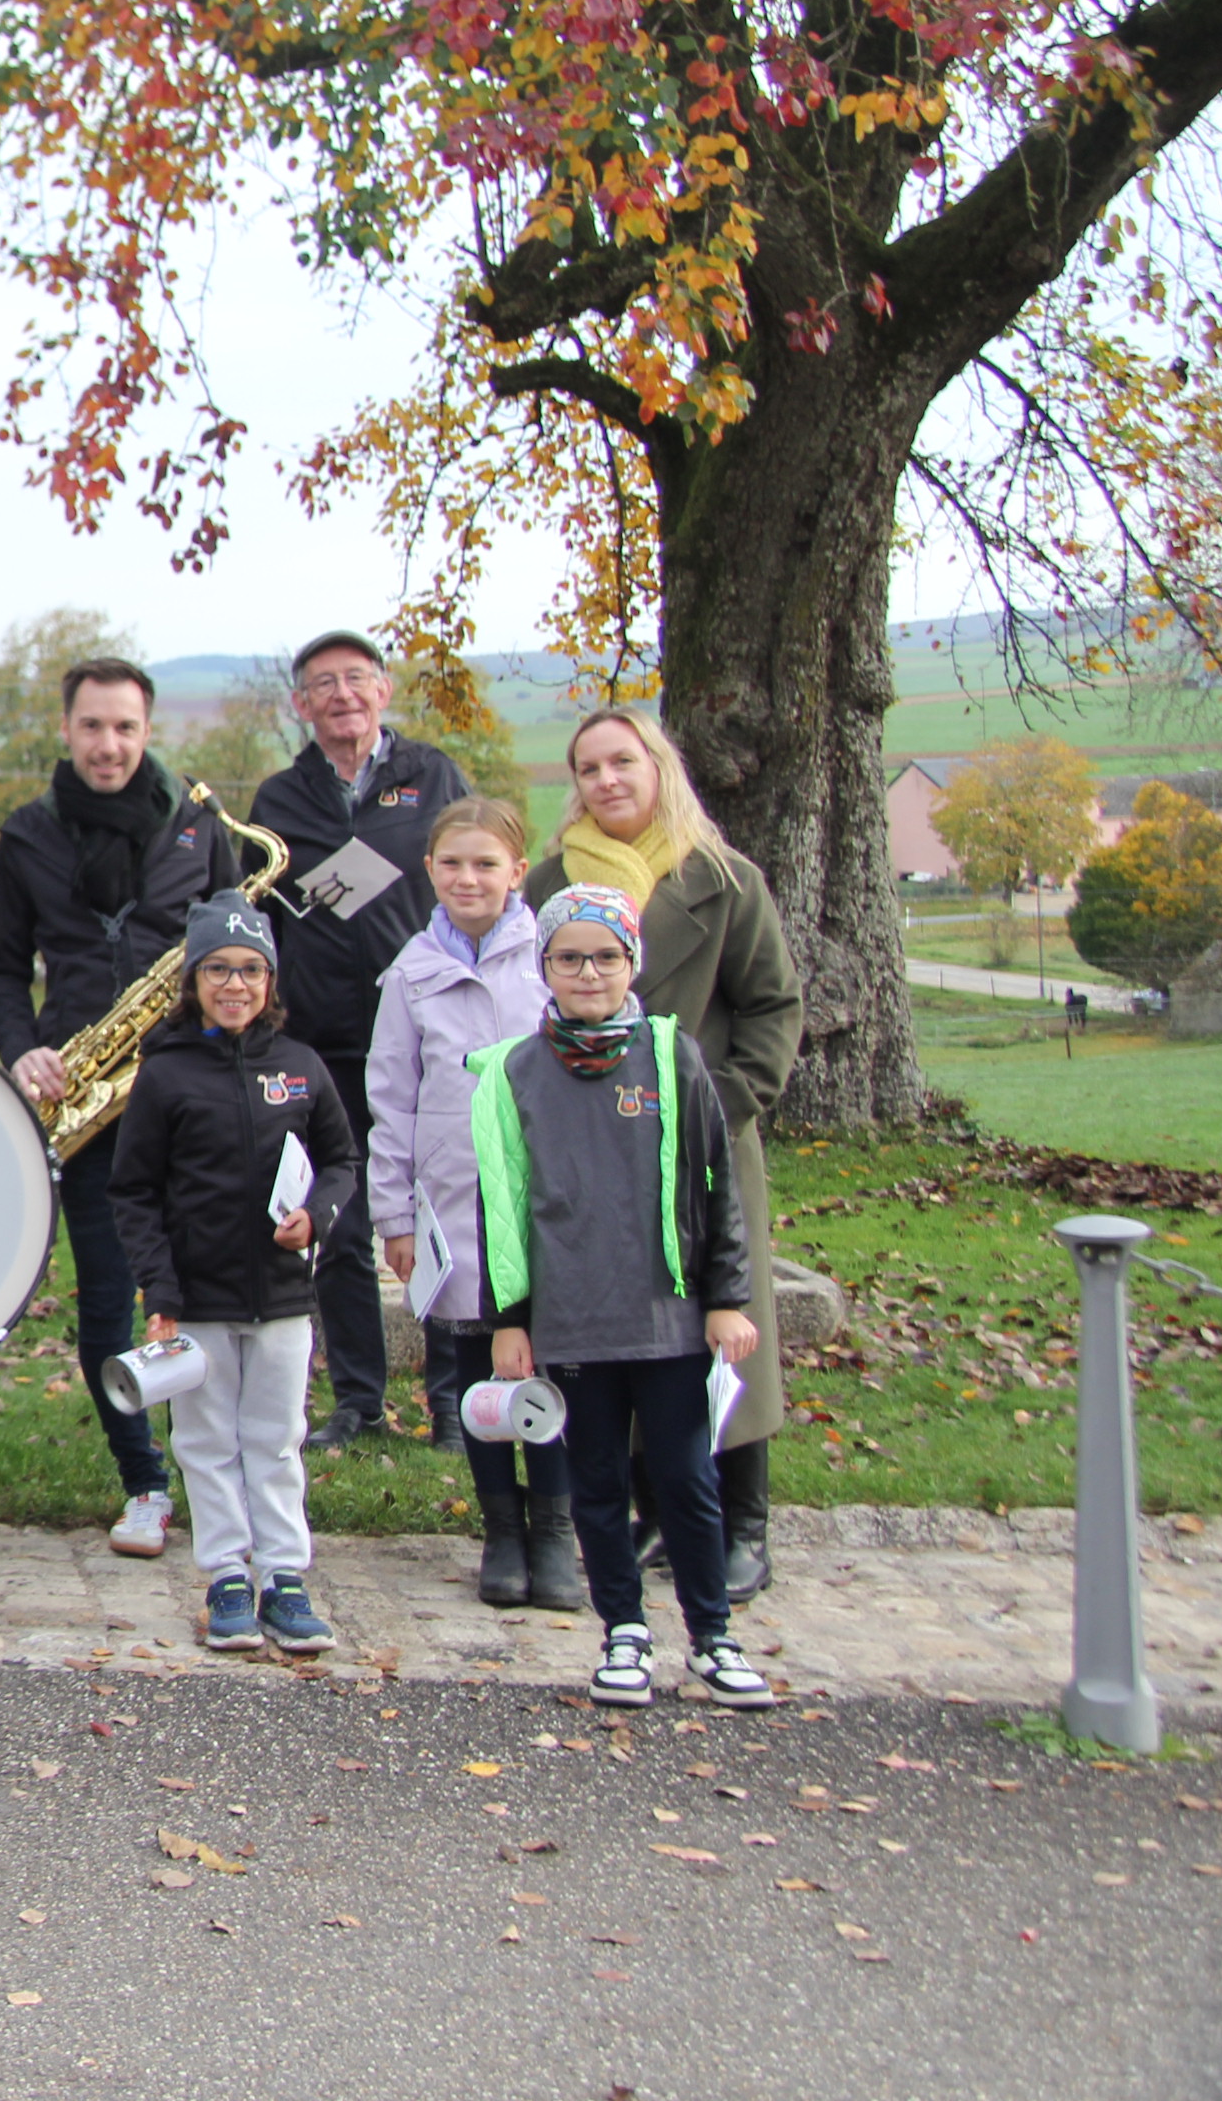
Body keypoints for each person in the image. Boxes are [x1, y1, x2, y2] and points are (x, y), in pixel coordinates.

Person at [467, 883, 775, 1710]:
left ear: (631, 962)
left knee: (684, 1480)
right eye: (569, 957)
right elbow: (501, 1204)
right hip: (571, 1320)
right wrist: (510, 1319)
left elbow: (716, 1185)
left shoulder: (672, 1057)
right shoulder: (514, 1072)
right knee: (595, 1482)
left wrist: (726, 1297)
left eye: (605, 956)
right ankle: (624, 1633)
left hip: (667, 1318)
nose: (589, 972)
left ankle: (712, 1635)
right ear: (546, 968)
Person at [524, 706, 804, 1601]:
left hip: (706, 1136)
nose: (606, 780)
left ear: (658, 768)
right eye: (588, 768)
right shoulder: (551, 883)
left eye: (622, 762)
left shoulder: (723, 880)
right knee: (626, 1323)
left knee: (727, 1318)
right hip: (592, 1146)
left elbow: (770, 1008)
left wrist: (717, 1108)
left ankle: (743, 1525)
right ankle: (654, 1511)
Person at [0, 654, 246, 1558]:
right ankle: (143, 1481)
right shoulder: (27, 835)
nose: (109, 744)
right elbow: (3, 968)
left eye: (126, 727)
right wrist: (23, 1049)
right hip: (86, 1103)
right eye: (92, 726)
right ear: (66, 729)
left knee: (210, 1299)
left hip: (194, 1090)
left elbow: (242, 950)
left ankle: (217, 1474)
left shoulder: (200, 826)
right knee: (106, 1307)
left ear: (148, 728)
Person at [107, 893, 359, 1654]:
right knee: (208, 1440)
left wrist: (317, 1216)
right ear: (194, 979)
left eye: (251, 970)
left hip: (282, 1298)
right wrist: (161, 1289)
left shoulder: (302, 1068)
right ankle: (224, 1578)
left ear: (271, 980)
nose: (235, 985)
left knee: (276, 1438)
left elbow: (343, 1162)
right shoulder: (165, 1073)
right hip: (198, 1301)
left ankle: (284, 1577)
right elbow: (134, 1191)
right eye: (218, 969)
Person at [247, 630, 475, 1452]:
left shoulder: (433, 777)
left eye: (356, 679)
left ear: (382, 691)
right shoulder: (278, 797)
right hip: (324, 1038)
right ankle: (359, 1399)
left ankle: (453, 1399)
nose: (341, 695)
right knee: (338, 1226)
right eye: (321, 684)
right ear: (301, 705)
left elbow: (470, 878)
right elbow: (262, 917)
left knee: (439, 1216)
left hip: (426, 1034)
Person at [365, 798, 581, 1609]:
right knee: (480, 1375)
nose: (469, 878)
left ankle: (554, 1530)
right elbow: (391, 1099)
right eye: (453, 863)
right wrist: (394, 1215)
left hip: (542, 1205)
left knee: (546, 1367)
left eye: (487, 864)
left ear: (517, 873)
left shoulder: (548, 962)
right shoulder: (411, 974)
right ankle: (501, 1528)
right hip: (452, 1207)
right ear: (431, 870)